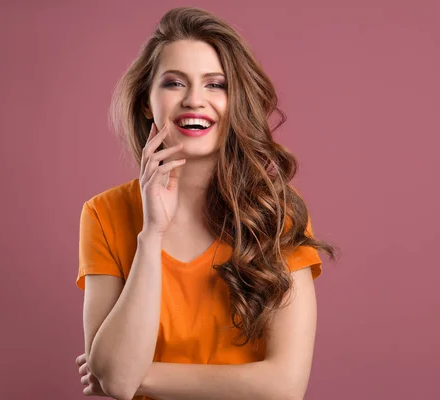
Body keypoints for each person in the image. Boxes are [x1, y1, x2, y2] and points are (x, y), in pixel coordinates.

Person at [74, 6, 337, 400]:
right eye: (174, 83)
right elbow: (113, 377)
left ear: (236, 101)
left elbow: (284, 387)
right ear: (147, 101)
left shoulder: (274, 211)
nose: (195, 100)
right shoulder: (103, 214)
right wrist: (151, 234)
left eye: (216, 85)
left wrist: (136, 376)